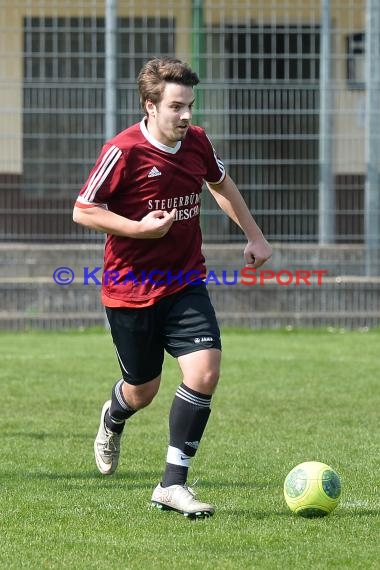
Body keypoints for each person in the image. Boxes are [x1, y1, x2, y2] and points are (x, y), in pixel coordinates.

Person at [73, 56, 272, 519]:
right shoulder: (123, 151)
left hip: (185, 281)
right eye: (177, 107)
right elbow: (84, 209)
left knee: (203, 372)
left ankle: (172, 484)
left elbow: (220, 183)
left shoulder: (197, 142)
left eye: (190, 106)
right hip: (130, 290)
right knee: (142, 389)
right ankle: (114, 415)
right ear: (150, 106)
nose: (186, 116)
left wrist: (255, 235)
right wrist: (140, 229)